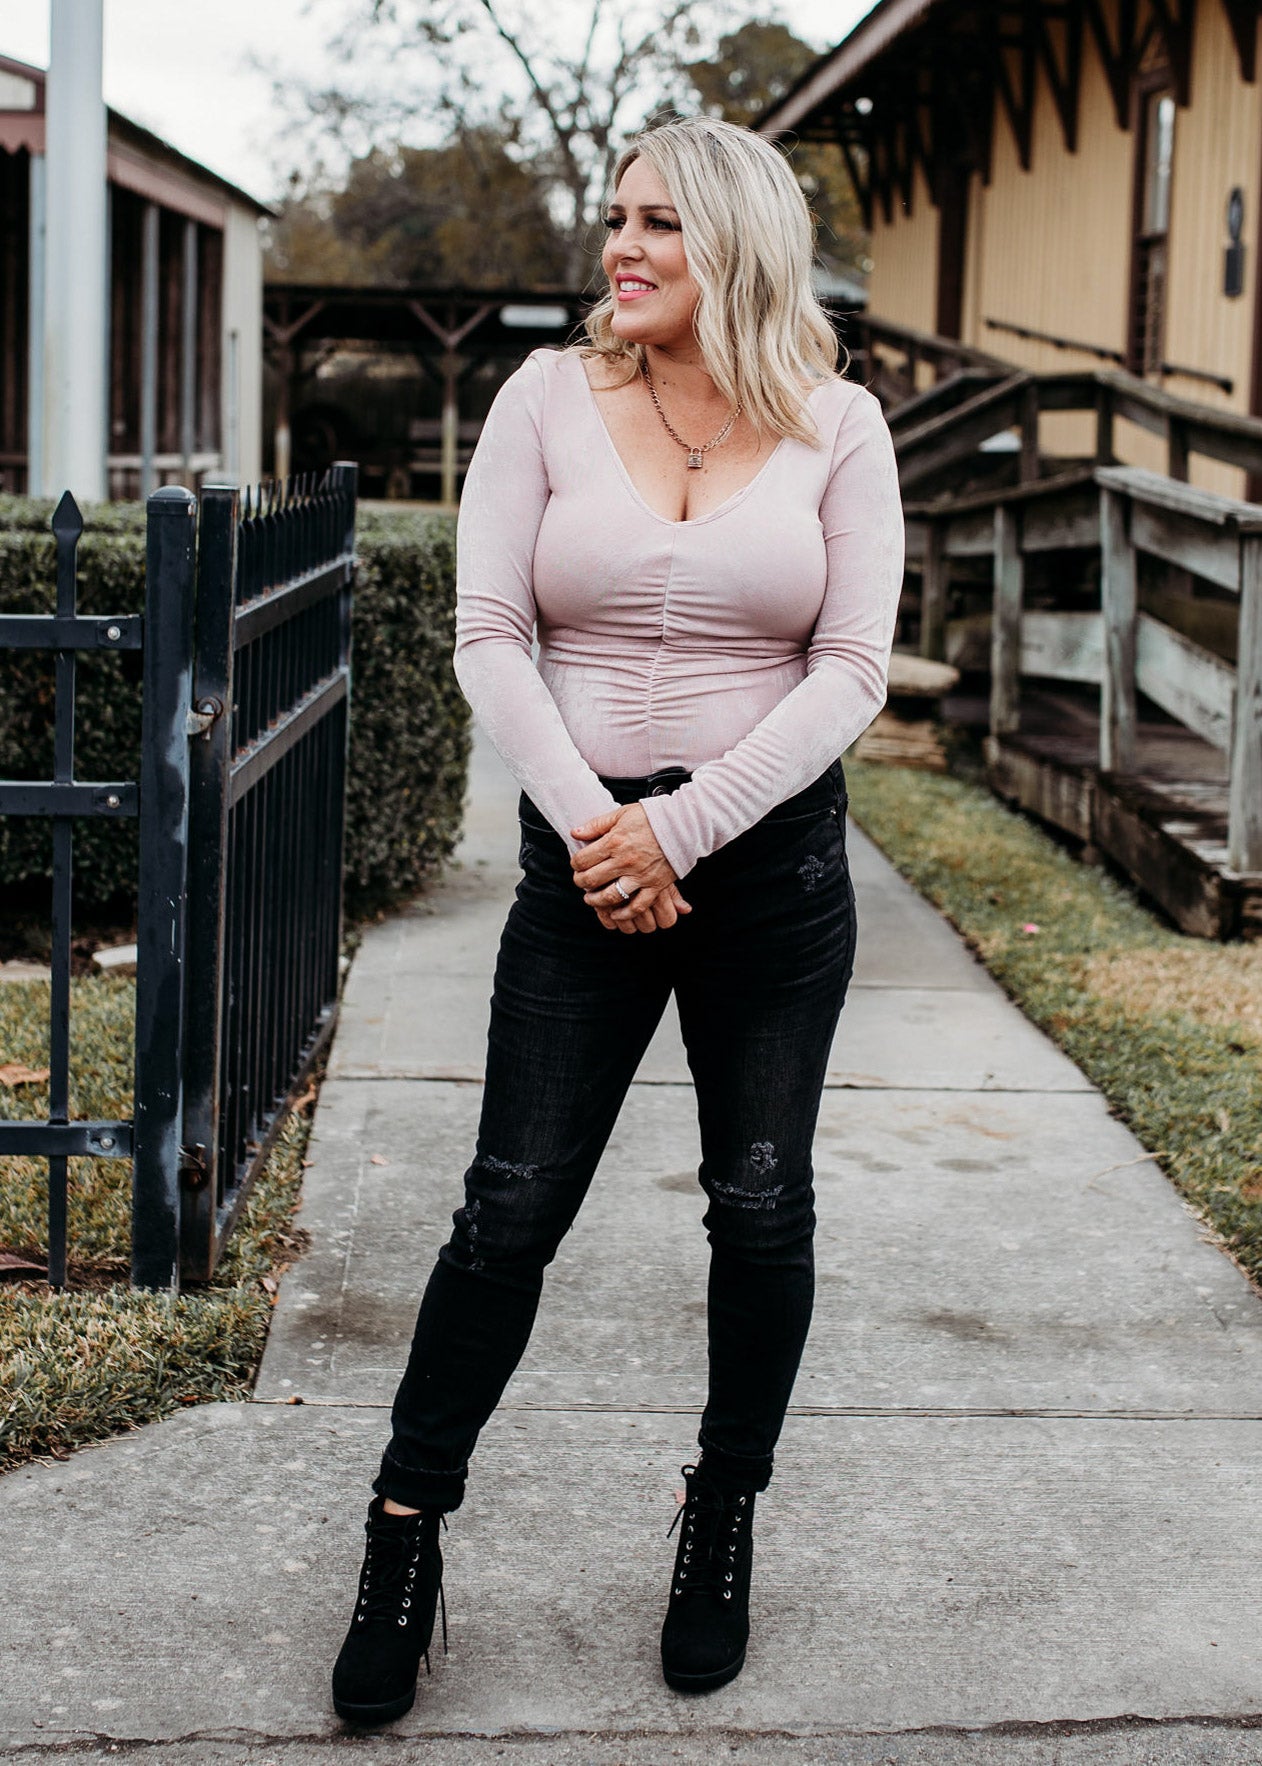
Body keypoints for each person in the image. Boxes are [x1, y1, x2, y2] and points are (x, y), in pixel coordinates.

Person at [331, 113, 905, 1725]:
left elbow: (850, 669)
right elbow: (489, 631)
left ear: (738, 241)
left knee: (760, 1206)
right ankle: (401, 1531)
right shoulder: (543, 397)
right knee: (506, 1209)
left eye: (660, 222)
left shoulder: (839, 424)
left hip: (769, 881)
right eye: (616, 218)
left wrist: (683, 826)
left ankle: (719, 1512)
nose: (622, 248)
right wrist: (605, 829)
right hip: (582, 870)